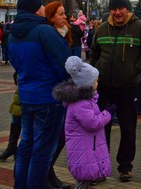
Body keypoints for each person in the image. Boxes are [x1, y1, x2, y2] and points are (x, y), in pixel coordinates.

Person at [89, 0, 141, 183]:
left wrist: (134, 69)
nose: (117, 12)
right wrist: (93, 73)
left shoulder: (140, 28)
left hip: (128, 87)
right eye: (114, 9)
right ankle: (100, 168)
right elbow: (94, 53)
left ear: (127, 9)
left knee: (128, 128)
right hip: (104, 87)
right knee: (102, 129)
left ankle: (125, 167)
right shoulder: (102, 29)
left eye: (121, 9)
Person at [9, 0, 72, 189]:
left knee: (26, 145)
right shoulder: (43, 31)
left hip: (27, 96)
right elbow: (65, 63)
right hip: (48, 97)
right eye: (41, 6)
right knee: (42, 150)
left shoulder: (13, 33)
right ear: (36, 9)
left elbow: (16, 65)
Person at [52, 56, 114, 189]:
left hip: (84, 149)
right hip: (83, 152)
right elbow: (92, 123)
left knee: (83, 182)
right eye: (95, 82)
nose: (97, 84)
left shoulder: (85, 101)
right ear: (87, 85)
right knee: (82, 182)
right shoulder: (81, 104)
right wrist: (107, 114)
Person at [0, 72, 22, 161]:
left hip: (30, 95)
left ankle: (19, 150)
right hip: (19, 96)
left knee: (28, 128)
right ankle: (12, 147)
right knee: (15, 121)